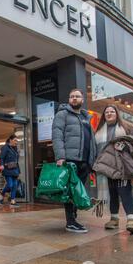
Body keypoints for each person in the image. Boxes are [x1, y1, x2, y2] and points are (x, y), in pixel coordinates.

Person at [52, 88, 97, 233]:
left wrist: (92, 161)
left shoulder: (85, 118)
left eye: (77, 96)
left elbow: (91, 141)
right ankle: (70, 222)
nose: (74, 99)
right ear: (69, 100)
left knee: (78, 191)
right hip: (70, 160)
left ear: (82, 99)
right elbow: (57, 136)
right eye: (72, 97)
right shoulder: (62, 114)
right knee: (71, 192)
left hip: (85, 161)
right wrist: (60, 156)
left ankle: (73, 216)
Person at [94, 104, 133, 234]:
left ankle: (131, 219)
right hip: (106, 168)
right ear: (104, 115)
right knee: (112, 193)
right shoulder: (98, 132)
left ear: (117, 114)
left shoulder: (126, 128)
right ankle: (114, 219)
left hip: (122, 167)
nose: (109, 114)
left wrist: (126, 146)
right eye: (107, 112)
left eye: (112, 112)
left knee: (124, 191)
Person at [0, 134, 21, 207]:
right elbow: (2, 157)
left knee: (15, 185)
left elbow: (16, 159)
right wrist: (1, 165)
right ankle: (1, 194)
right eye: (15, 140)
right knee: (10, 184)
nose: (16, 142)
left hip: (15, 168)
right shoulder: (5, 148)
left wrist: (18, 170)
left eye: (17, 141)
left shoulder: (15, 148)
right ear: (10, 140)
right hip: (7, 169)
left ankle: (13, 201)